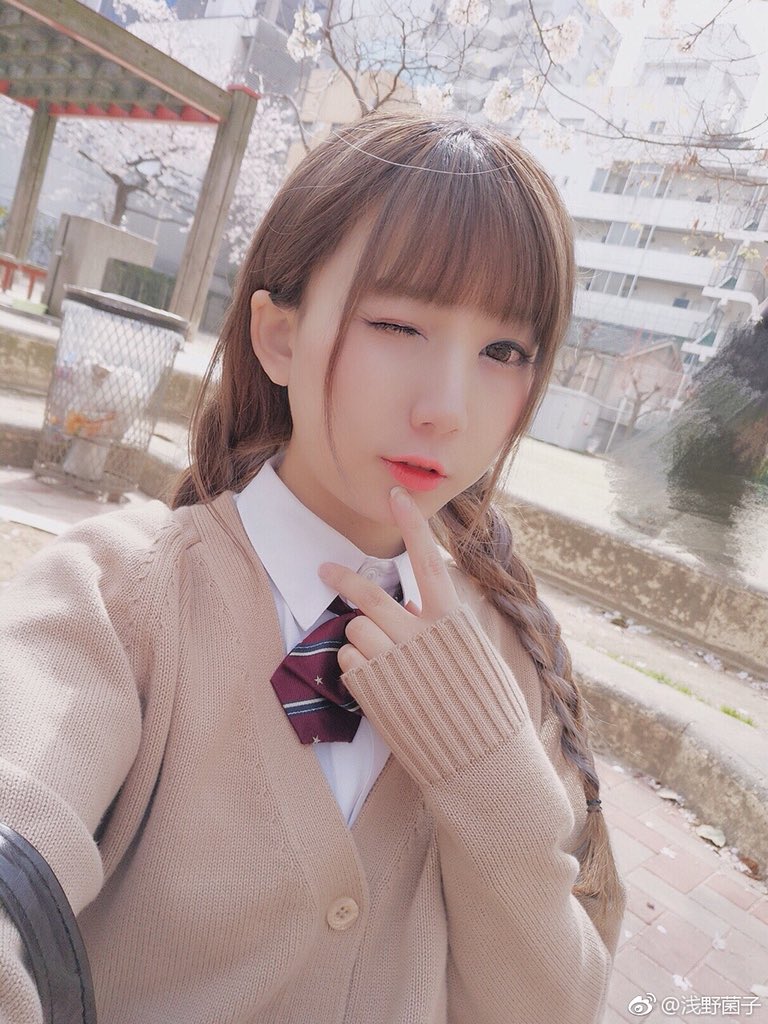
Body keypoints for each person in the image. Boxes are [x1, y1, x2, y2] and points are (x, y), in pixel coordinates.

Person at [0, 112, 626, 1023]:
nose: (447, 408)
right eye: (398, 324)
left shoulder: (516, 658)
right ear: (279, 336)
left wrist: (490, 773)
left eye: (504, 351)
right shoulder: (121, 596)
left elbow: (553, 1007)